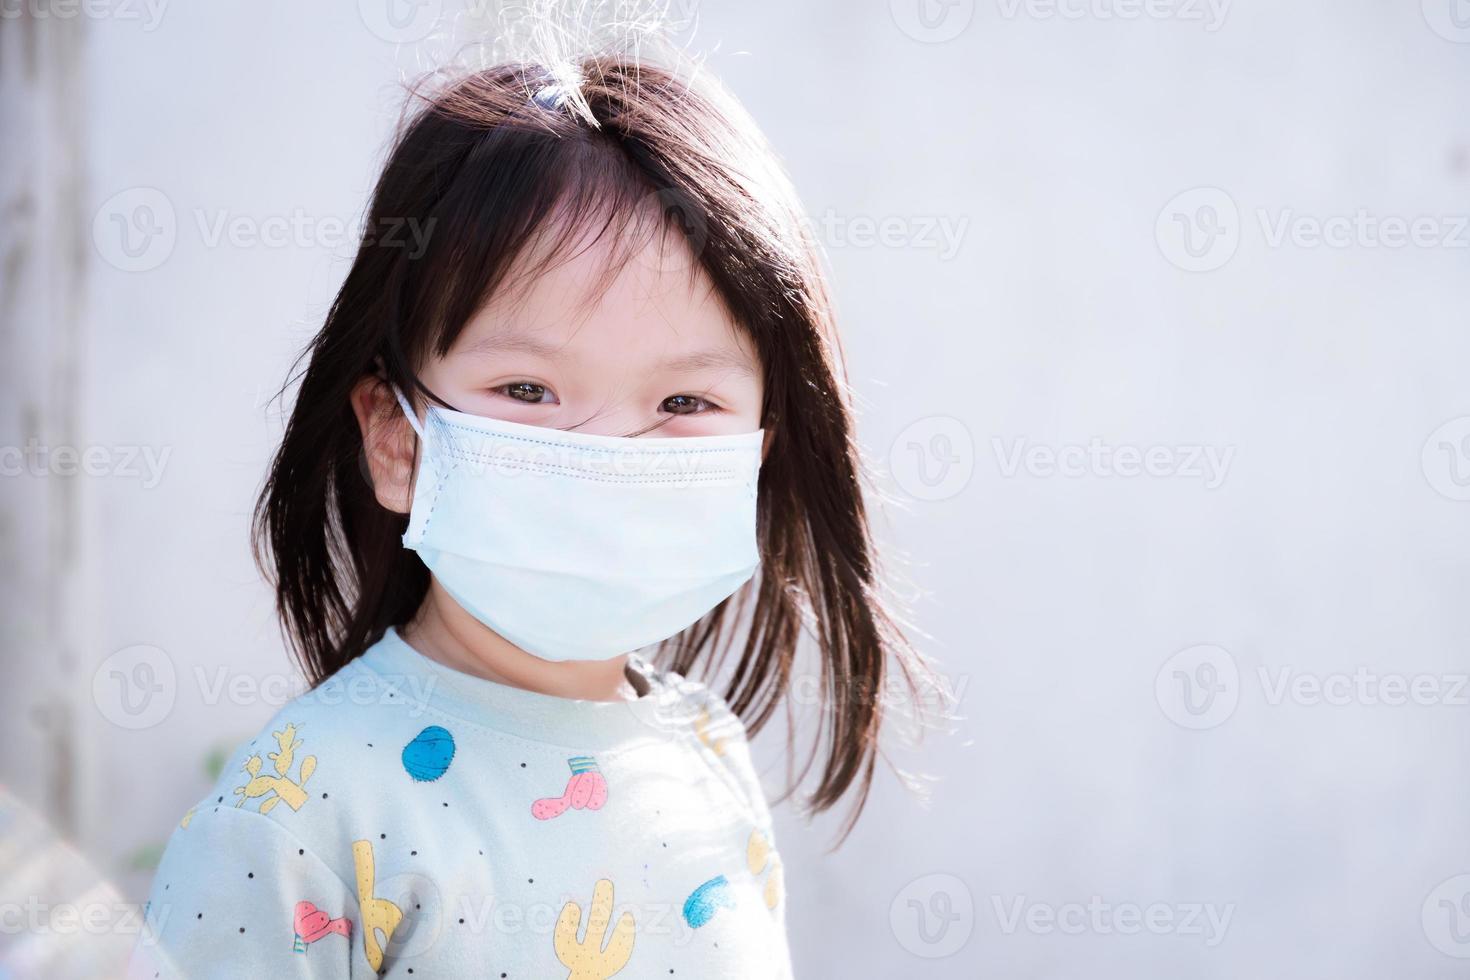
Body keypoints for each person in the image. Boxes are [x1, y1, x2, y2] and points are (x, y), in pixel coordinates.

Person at [129, 52, 937, 978]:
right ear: (397, 437)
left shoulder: (707, 753)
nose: (607, 452)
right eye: (528, 388)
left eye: (682, 404)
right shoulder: (298, 818)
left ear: (756, 449)